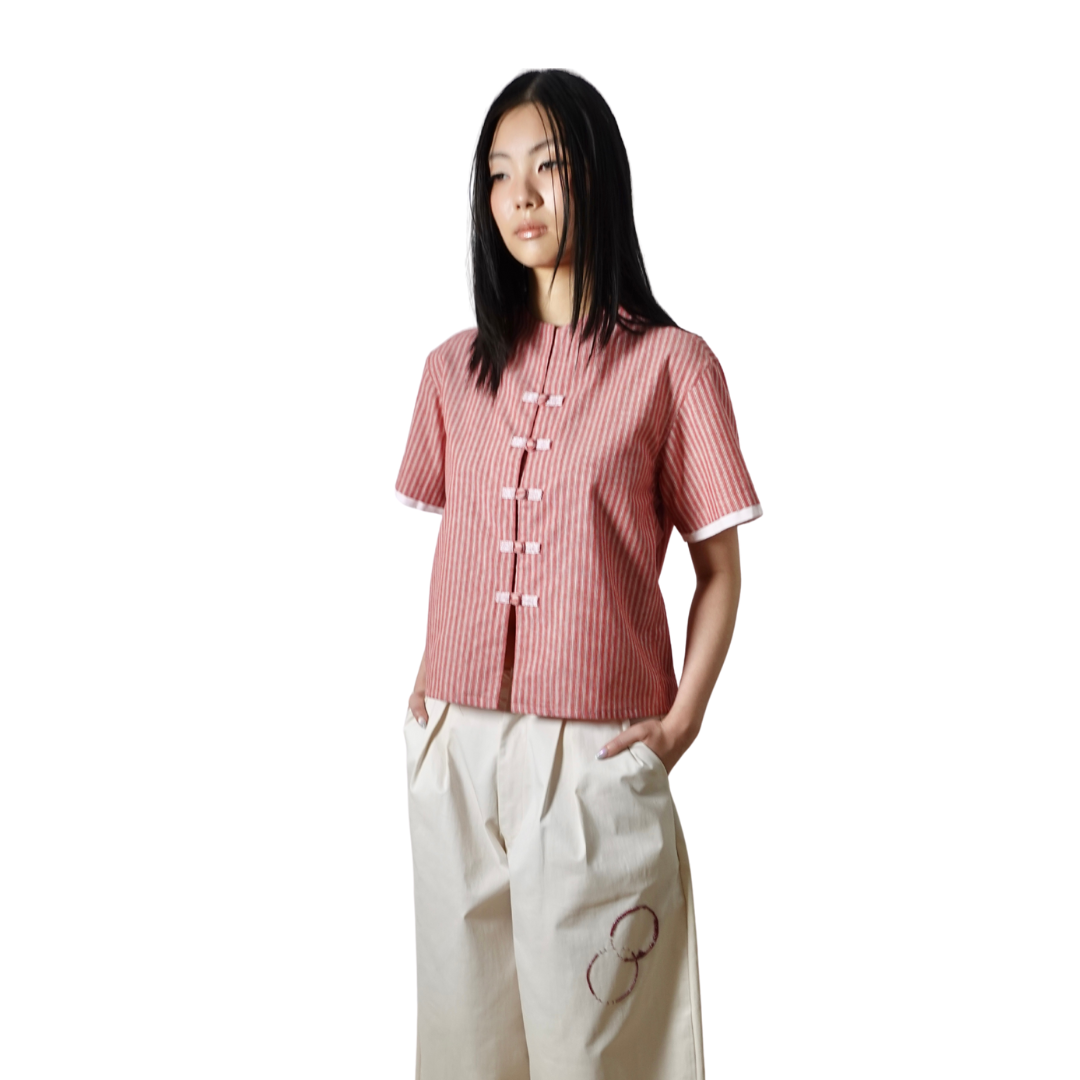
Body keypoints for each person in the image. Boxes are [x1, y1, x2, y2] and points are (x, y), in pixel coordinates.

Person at [394, 68, 762, 1080]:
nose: (520, 196)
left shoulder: (673, 366)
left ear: (596, 177)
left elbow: (719, 570)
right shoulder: (451, 369)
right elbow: (458, 535)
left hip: (595, 749)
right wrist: (426, 696)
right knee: (463, 1047)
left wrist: (680, 726)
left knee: (598, 1051)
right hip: (455, 742)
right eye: (498, 174)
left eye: (547, 168)